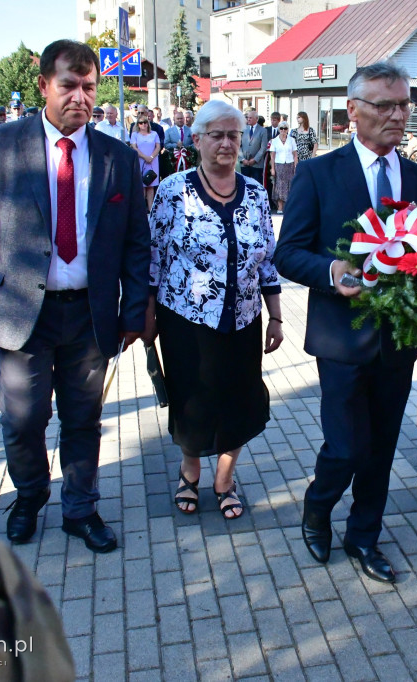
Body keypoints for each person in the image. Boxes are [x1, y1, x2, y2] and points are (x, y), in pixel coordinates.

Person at [0, 39, 151, 553]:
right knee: (22, 420)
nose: (80, 97)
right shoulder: (1, 144)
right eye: (69, 85)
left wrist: (133, 312)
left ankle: (80, 508)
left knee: (83, 419)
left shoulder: (118, 158)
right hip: (23, 315)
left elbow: (136, 243)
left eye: (89, 87)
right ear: (44, 85)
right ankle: (29, 495)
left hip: (89, 316)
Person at [274, 62, 417, 584]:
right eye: (385, 105)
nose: (398, 116)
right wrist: (330, 270)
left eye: (404, 105)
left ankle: (364, 535)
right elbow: (288, 253)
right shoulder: (318, 174)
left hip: (398, 342)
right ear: (353, 111)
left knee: (382, 447)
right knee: (345, 447)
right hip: (341, 339)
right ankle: (317, 508)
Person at [148, 99, 283, 520]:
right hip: (186, 321)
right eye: (217, 135)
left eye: (233, 135)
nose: (226, 144)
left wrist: (276, 314)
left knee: (239, 399)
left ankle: (225, 477)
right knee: (192, 400)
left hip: (243, 319)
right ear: (197, 139)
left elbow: (268, 258)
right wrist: (146, 316)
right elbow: (153, 258)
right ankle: (190, 471)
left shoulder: (257, 193)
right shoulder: (173, 191)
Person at [130, 112, 161, 205]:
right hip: (141, 161)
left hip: (153, 162)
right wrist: (145, 157)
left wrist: (151, 157)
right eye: (141, 123)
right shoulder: (135, 134)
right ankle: (142, 209)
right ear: (138, 124)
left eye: (145, 122)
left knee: (151, 186)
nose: (143, 124)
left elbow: (158, 147)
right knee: (142, 186)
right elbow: (134, 147)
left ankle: (151, 209)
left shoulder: (154, 133)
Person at [268, 121, 296, 214]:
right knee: (279, 185)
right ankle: (280, 206)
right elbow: (272, 155)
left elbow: (295, 154)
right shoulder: (275, 140)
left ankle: (288, 206)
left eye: (285, 128)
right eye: (281, 128)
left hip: (289, 164)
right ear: (279, 129)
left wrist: (296, 166)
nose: (283, 130)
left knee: (289, 185)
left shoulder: (292, 140)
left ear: (288, 130)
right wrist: (272, 168)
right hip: (279, 165)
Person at [240, 109, 266, 184]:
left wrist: (254, 160)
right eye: (248, 117)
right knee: (244, 185)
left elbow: (263, 148)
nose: (248, 119)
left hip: (257, 165)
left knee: (256, 186)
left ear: (256, 119)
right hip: (244, 164)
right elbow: (239, 145)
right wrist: (242, 159)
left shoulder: (263, 131)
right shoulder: (244, 129)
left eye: (250, 118)